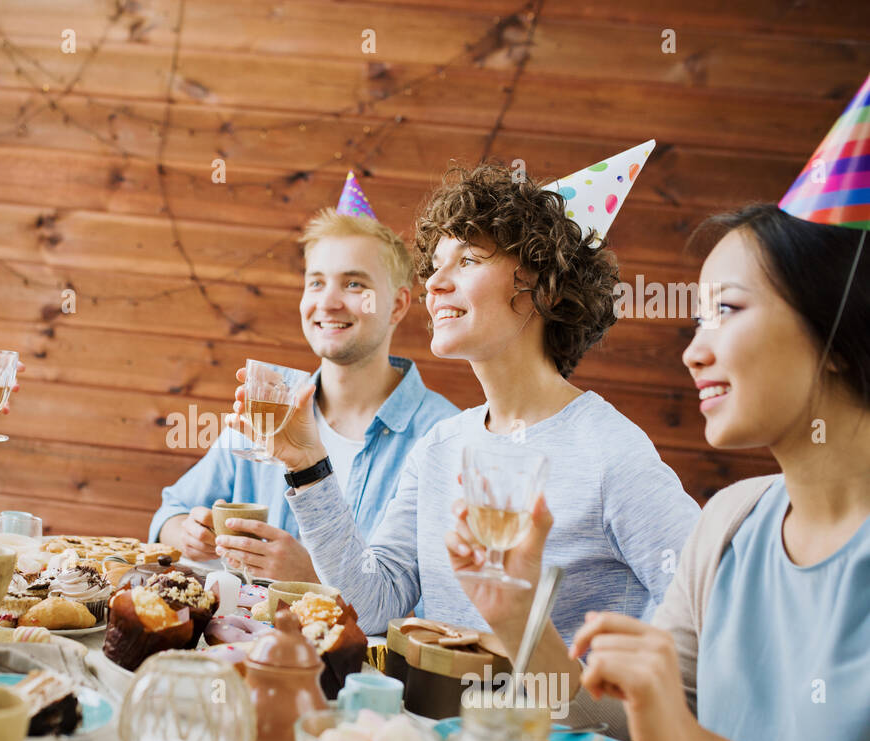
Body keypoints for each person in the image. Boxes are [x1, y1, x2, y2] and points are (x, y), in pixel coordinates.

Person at [449, 203, 870, 741]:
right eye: (698, 319)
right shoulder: (731, 523)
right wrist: (519, 616)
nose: (694, 351)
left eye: (728, 310)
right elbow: (632, 728)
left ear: (840, 335)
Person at [228, 161, 700, 655]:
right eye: (436, 264)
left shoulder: (609, 452)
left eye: (469, 260)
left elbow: (704, 607)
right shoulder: (440, 447)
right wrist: (307, 465)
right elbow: (372, 603)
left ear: (546, 287)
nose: (434, 282)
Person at [154, 176, 459, 582]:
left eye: (354, 284)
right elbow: (169, 512)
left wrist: (315, 578)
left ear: (398, 305)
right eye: (316, 282)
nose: (328, 303)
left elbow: (442, 601)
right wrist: (188, 535)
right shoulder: (268, 408)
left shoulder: (443, 436)